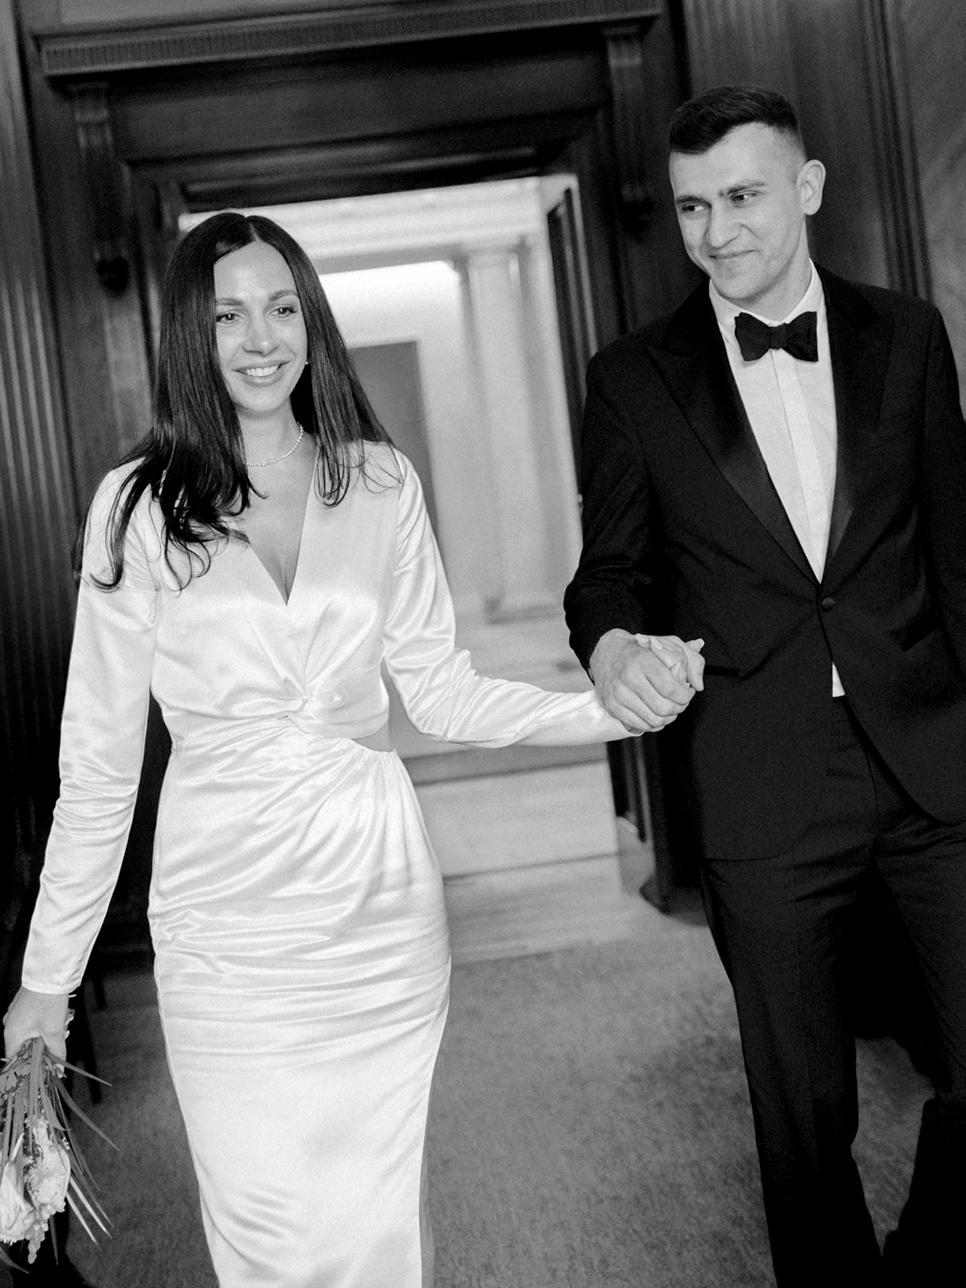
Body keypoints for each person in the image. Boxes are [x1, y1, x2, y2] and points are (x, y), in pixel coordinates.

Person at [3, 211, 633, 1288]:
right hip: (225, 919)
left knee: (379, 1223)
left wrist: (611, 709)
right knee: (265, 1223)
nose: (261, 337)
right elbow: (100, 771)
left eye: (282, 307)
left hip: (378, 902)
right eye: (228, 314)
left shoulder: (380, 481)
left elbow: (439, 690)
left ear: (312, 321)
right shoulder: (135, 509)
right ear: (188, 340)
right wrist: (46, 981)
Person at [564, 85, 966, 1287]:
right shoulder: (634, 377)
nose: (715, 230)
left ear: (808, 184)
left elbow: (955, 548)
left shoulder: (910, 334)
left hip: (935, 756)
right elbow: (611, 572)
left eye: (740, 196)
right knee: (802, 1114)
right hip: (762, 777)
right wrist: (611, 646)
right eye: (692, 206)